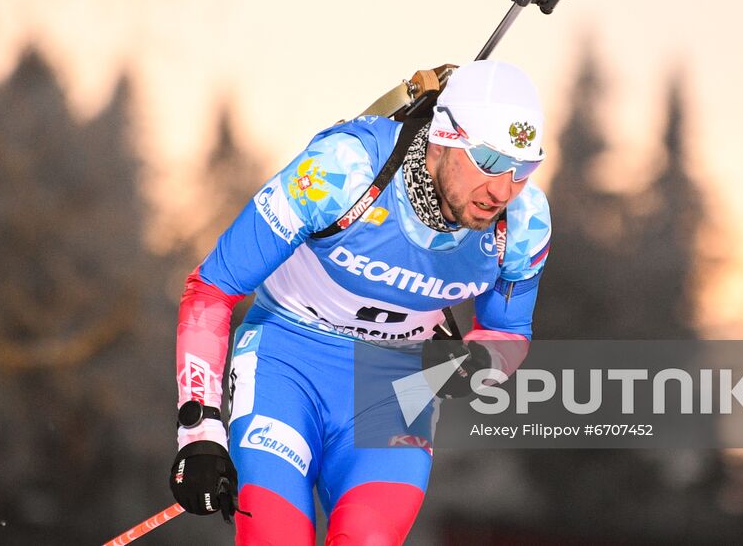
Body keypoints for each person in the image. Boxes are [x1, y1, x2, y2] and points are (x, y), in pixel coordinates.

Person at [170, 59, 553, 544]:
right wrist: (199, 430)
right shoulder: (341, 171)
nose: (503, 189)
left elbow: (508, 333)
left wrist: (462, 370)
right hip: (286, 367)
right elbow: (212, 289)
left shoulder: (523, 224)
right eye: (491, 161)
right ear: (444, 137)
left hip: (392, 390)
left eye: (524, 168)